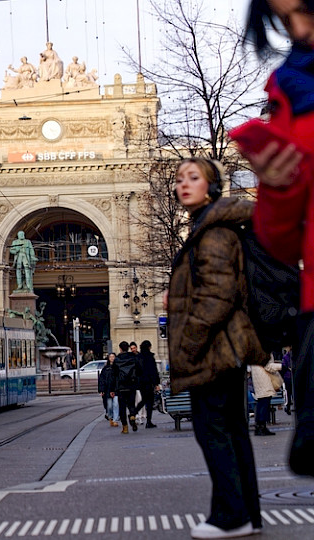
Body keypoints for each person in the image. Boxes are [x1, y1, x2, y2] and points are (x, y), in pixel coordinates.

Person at [168, 157, 266, 538]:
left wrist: (188, 346)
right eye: (179, 179)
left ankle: (230, 516)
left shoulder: (213, 232)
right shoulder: (209, 227)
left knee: (215, 432)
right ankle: (246, 515)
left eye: (193, 178)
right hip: (224, 349)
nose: (183, 185)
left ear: (211, 186)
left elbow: (217, 297)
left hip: (216, 350)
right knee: (232, 431)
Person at [242, 0, 314, 478]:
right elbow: (283, 244)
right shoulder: (289, 91)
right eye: (286, 20)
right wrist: (276, 184)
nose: (301, 29)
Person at [111, 341, 140, 434]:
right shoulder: (133, 358)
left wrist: (112, 389)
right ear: (128, 348)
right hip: (131, 385)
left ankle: (125, 427)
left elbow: (114, 375)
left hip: (121, 387)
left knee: (122, 407)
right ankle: (132, 415)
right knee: (131, 404)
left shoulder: (117, 359)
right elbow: (139, 370)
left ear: (120, 348)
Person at [251, 357, 282, 437]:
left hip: (259, 378)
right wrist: (281, 366)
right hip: (264, 379)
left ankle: (260, 427)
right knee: (264, 404)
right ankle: (261, 427)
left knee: (261, 403)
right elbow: (268, 366)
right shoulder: (263, 349)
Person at [137, 340, 161, 429]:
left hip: (141, 382)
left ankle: (133, 413)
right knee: (149, 402)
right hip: (149, 382)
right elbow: (153, 371)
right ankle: (148, 421)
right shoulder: (150, 357)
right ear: (149, 347)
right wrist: (156, 383)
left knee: (144, 400)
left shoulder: (138, 357)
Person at [99, 353, 118, 427]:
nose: (112, 358)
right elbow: (101, 379)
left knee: (116, 405)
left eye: (113, 356)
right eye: (111, 357)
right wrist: (101, 389)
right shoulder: (105, 368)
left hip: (116, 389)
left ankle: (115, 420)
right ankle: (110, 417)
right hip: (107, 390)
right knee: (109, 406)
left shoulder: (117, 367)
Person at [282, 348, 293, 415]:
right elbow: (284, 366)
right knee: (289, 393)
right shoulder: (286, 357)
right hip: (289, 377)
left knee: (289, 393)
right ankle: (288, 406)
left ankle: (288, 406)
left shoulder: (286, 356)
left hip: (288, 376)